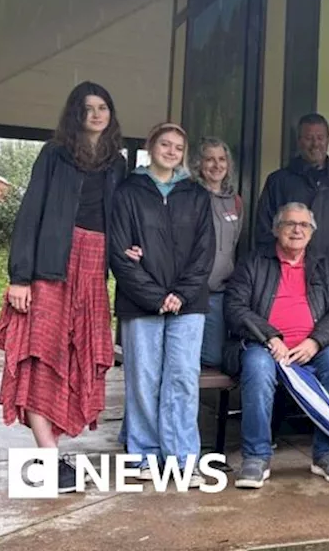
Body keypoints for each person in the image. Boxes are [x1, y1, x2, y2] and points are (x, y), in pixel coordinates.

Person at [0, 81, 126, 493]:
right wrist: (19, 276)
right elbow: (31, 212)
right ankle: (48, 454)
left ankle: (56, 453)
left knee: (77, 359)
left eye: (103, 107)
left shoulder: (117, 164)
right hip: (51, 268)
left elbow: (122, 219)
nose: (96, 114)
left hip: (93, 270)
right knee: (39, 357)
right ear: (76, 114)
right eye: (88, 108)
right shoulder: (54, 155)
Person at [109, 122, 214, 484]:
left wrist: (180, 294)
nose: (171, 151)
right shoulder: (128, 192)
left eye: (178, 146)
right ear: (151, 146)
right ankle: (143, 457)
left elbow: (205, 252)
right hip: (141, 303)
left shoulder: (197, 195)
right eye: (165, 144)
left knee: (183, 379)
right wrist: (156, 297)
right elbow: (120, 253)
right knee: (144, 379)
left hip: (189, 303)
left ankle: (183, 459)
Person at [224, 202, 329, 487]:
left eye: (304, 225)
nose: (297, 230)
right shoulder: (254, 261)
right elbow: (234, 306)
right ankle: (257, 457)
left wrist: (316, 341)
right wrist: (270, 337)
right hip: (264, 345)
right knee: (258, 367)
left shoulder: (323, 265)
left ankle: (326, 454)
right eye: (289, 224)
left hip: (312, 347)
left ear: (311, 232)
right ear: (276, 229)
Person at [255, 113, 329, 267]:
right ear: (299, 141)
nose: (315, 144)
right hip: (290, 273)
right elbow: (264, 231)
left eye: (320, 138)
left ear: (328, 140)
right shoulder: (278, 181)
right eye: (309, 138)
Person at [195, 137, 243, 369]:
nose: (216, 165)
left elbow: (235, 243)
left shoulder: (235, 202)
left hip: (219, 293)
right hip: (191, 291)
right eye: (210, 159)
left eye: (222, 159)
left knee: (213, 357)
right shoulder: (190, 195)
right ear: (199, 164)